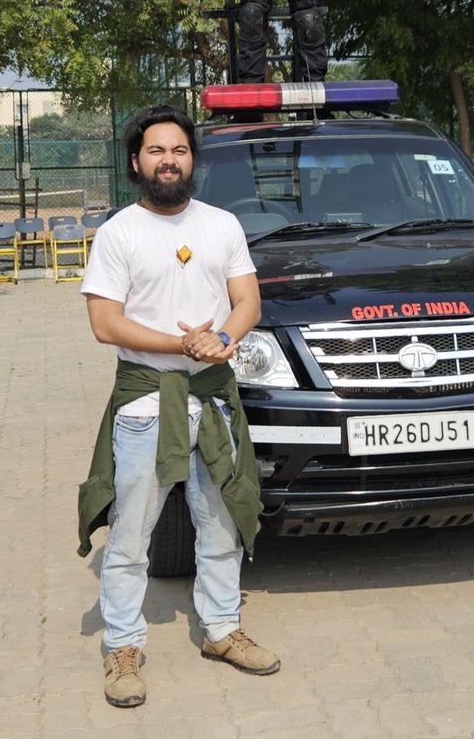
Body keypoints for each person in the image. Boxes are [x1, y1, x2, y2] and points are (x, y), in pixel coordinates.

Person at [76, 103, 278, 708]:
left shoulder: (221, 225)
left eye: (180, 150)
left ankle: (221, 630)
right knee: (132, 534)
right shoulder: (118, 233)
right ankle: (122, 647)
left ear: (193, 160)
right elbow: (104, 323)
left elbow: (247, 300)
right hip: (146, 403)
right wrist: (182, 343)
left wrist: (225, 338)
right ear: (136, 162)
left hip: (214, 397)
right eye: (157, 151)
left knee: (219, 522)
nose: (170, 160)